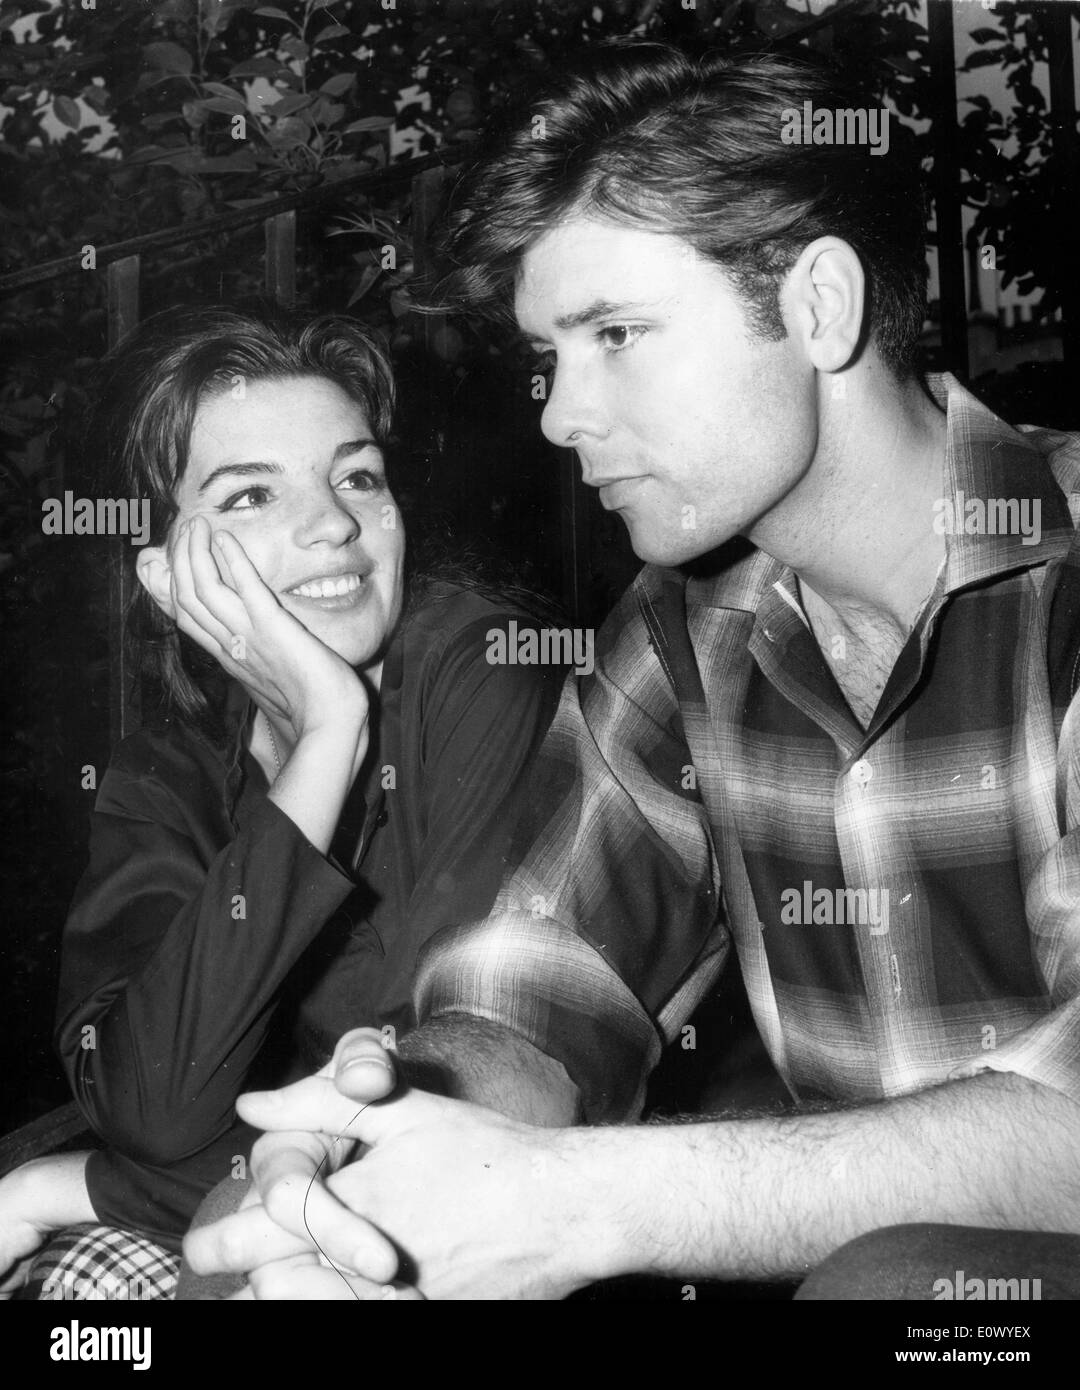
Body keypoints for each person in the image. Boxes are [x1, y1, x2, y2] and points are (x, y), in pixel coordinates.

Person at [184, 43, 1080, 1300]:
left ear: (820, 306)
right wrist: (385, 1120)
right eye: (552, 355)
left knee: (894, 1284)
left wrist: (579, 1201)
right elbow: (543, 985)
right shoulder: (684, 631)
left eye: (615, 332)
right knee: (264, 1244)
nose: (558, 415)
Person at [0, 306, 565, 1299]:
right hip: (262, 1210)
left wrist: (71, 1184)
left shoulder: (482, 673)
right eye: (253, 494)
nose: (335, 524)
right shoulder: (162, 778)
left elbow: (426, 1112)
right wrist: (325, 740)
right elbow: (153, 1103)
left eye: (357, 476)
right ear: (169, 575)